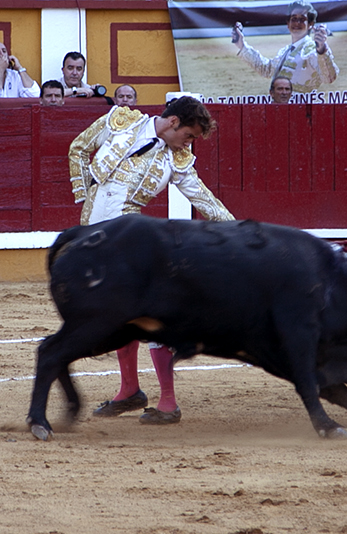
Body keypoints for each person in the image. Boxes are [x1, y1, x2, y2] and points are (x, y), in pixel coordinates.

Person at [68, 97, 235, 425]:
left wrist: (236, 230)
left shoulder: (177, 159)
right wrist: (82, 191)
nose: (189, 144)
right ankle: (129, 389)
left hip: (129, 242)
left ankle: (168, 402)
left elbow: (204, 198)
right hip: (92, 239)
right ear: (174, 122)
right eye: (189, 136)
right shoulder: (121, 121)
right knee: (119, 316)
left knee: (149, 314)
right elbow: (78, 148)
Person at [233, 0, 339, 93]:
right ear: (288, 24)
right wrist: (241, 45)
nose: (297, 23)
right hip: (282, 109)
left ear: (310, 24)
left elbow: (329, 77)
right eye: (294, 19)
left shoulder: (312, 49)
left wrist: (322, 50)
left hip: (302, 110)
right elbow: (267, 69)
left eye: (302, 19)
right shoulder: (286, 51)